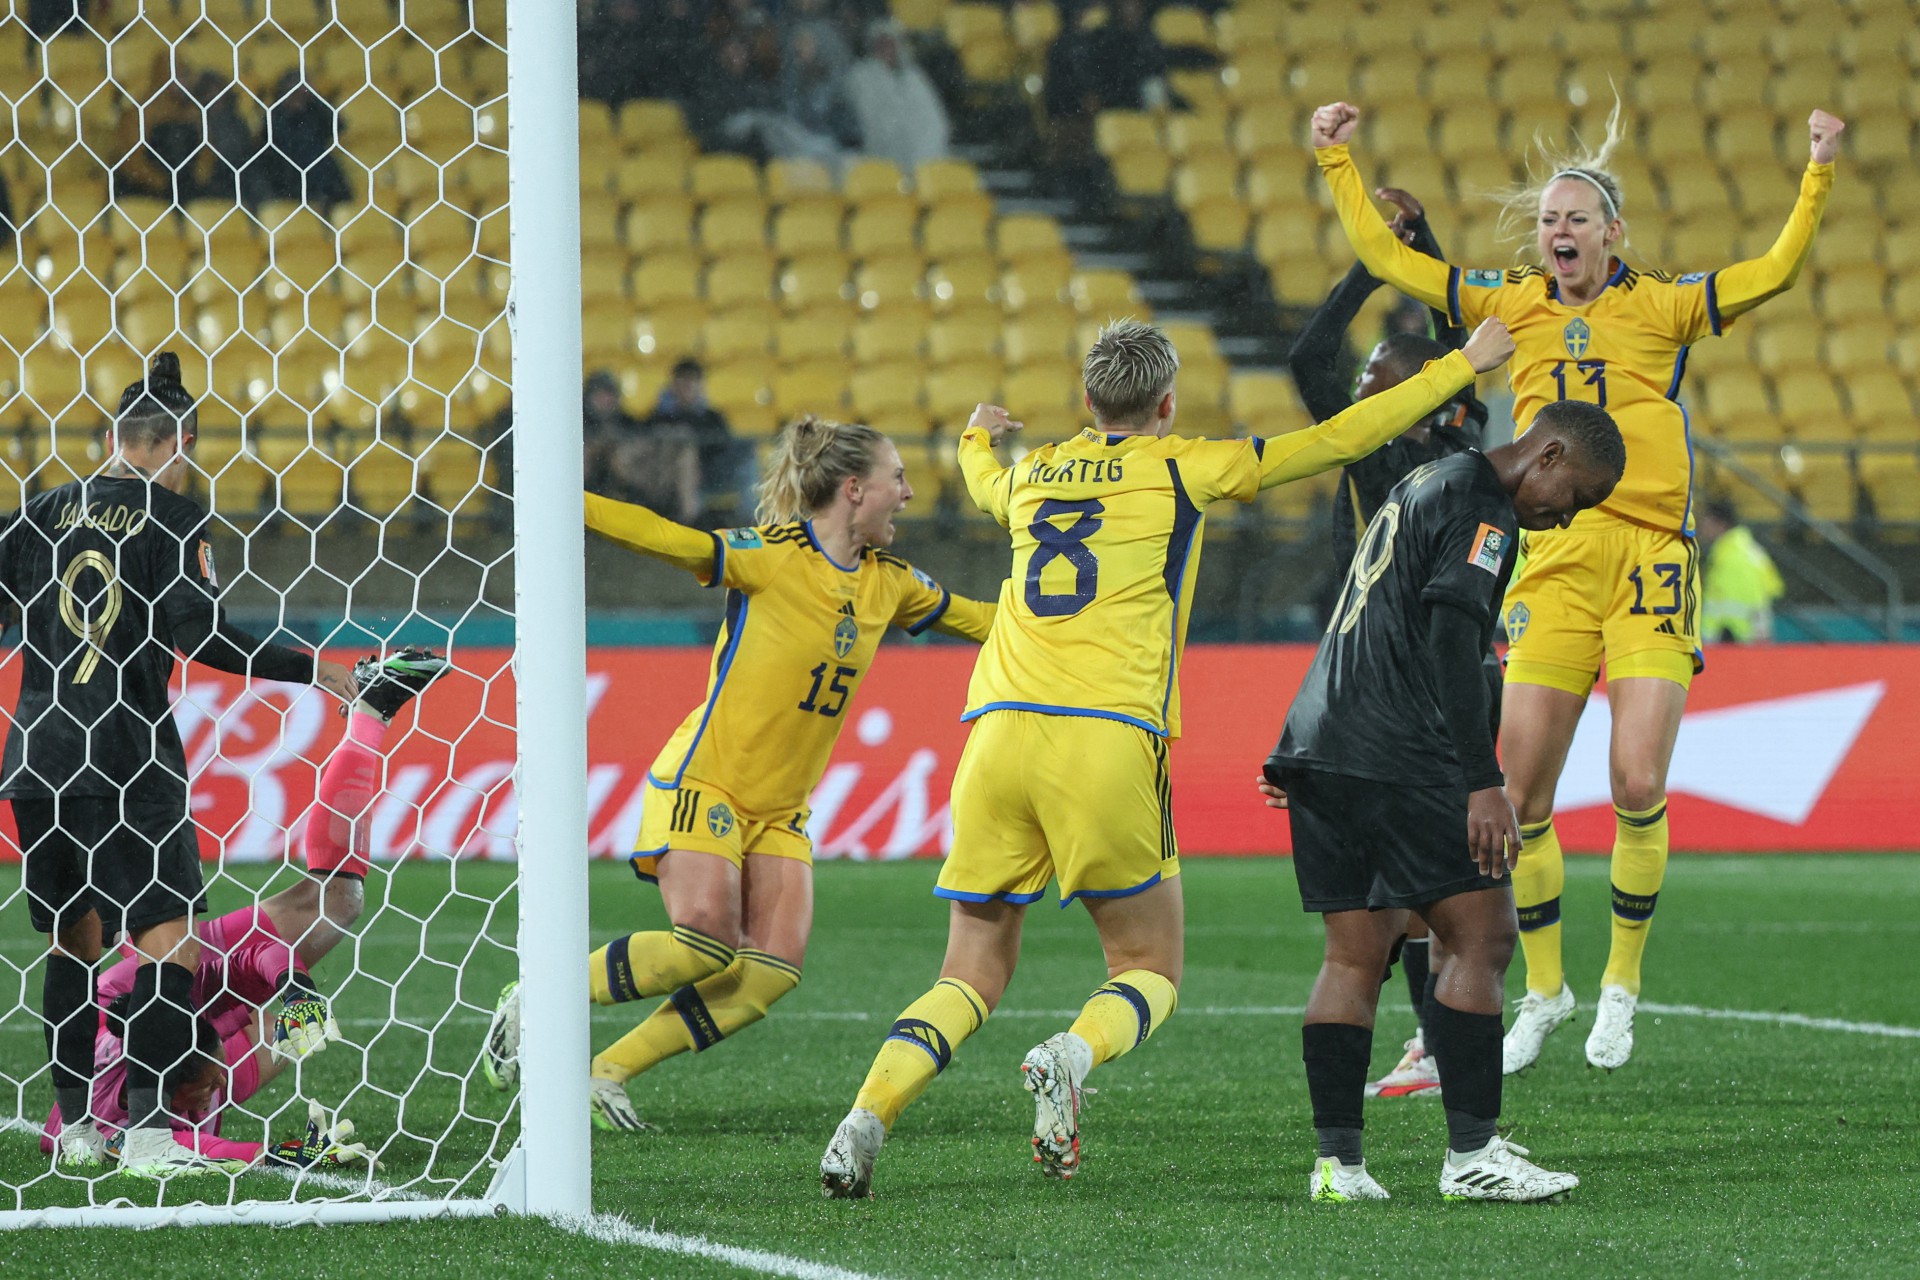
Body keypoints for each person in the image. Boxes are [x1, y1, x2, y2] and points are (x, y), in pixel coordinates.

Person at [819, 315, 1518, 1199]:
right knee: (1148, 967)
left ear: (1085, 402)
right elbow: (1342, 436)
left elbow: (983, 476)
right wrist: (1463, 364)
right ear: (1167, 402)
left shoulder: (1033, 474)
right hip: (1106, 734)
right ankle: (1073, 1054)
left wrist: (972, 435)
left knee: (969, 970)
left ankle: (865, 1116)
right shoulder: (1185, 463)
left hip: (994, 734)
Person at [1312, 99, 1843, 1072]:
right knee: (1517, 796)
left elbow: (1775, 273)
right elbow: (1402, 268)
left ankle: (1621, 988)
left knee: (1637, 778)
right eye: (1550, 218)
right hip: (1550, 556)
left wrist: (1816, 170)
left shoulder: (1664, 303)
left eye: (1576, 217)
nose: (1559, 231)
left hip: (1648, 554)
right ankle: (1546, 991)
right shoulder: (1513, 302)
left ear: (1612, 232)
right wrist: (1335, 161)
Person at [482, 417, 996, 1131]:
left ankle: (606, 1072)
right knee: (704, 941)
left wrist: (1079, 621)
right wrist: (564, 498)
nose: (909, 493)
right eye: (897, 478)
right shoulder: (772, 558)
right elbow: (666, 538)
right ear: (854, 490)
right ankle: (541, 995)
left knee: (771, 970)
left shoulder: (892, 585)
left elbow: (985, 621)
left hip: (781, 810)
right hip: (708, 782)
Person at [0, 352, 359, 1178]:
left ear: (110, 437)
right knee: (170, 947)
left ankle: (86, 1132)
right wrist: (314, 668)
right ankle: (155, 1140)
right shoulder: (174, 515)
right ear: (183, 441)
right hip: (128, 760)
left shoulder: (39, 513)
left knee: (73, 948)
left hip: (41, 758)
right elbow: (204, 632)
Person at [1261, 399, 1626, 1203]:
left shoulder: (1425, 481)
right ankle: (1471, 1157)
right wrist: (1480, 778)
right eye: (1578, 496)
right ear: (1551, 454)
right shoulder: (1483, 507)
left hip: (1325, 739)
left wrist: (1310, 746)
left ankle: (1338, 1166)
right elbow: (1450, 639)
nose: (1567, 519)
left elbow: (1364, 614)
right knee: (1485, 937)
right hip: (1400, 746)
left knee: (1353, 952)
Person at [36, 650, 449, 1171]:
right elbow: (211, 1148)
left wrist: (295, 991)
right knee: (304, 1010)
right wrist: (287, 1154)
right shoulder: (164, 1119)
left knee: (333, 904)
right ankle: (368, 714)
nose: (216, 1091)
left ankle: (368, 711)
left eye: (212, 1079)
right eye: (212, 1084)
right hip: (165, 1042)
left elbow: (254, 960)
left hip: (137, 989)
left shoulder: (134, 1082)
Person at [1288, 185, 1489, 1103]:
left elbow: (1307, 353)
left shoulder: (1386, 458)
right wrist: (1415, 247)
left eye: (1377, 378)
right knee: (1409, 899)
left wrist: (1377, 262)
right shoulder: (1453, 453)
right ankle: (1437, 1048)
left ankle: (1442, 1050)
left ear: (1414, 393)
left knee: (1418, 900)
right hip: (1394, 691)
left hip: (1395, 693)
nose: (1358, 384)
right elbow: (1464, 351)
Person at [584, 370, 702, 523]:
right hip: (594, 487)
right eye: (600, 394)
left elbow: (642, 446)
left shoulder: (626, 421)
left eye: (609, 394)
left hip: (637, 485)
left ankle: (686, 518)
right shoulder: (579, 423)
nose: (605, 399)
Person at [841, 20, 950, 174]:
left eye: (891, 44)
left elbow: (934, 121)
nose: (887, 50)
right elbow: (870, 120)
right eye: (881, 45)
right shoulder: (861, 76)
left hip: (922, 155)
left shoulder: (914, 77)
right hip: (882, 156)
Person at [647, 358, 750, 519]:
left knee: (749, 456)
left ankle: (751, 521)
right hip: (668, 479)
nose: (688, 386)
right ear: (674, 384)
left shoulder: (713, 417)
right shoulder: (659, 417)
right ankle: (689, 519)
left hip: (708, 477)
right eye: (683, 380)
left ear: (700, 385)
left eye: (693, 380)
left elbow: (724, 449)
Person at [254, 74, 352, 211]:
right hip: (285, 170)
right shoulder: (275, 114)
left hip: (316, 166)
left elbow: (339, 126)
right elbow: (275, 139)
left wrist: (316, 100)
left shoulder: (313, 112)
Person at [1697, 499, 1783, 644]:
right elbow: (1775, 587)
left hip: (1731, 635)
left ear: (1720, 524)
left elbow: (1723, 601)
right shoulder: (1749, 548)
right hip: (1751, 632)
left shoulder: (1729, 555)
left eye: (1706, 521)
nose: (1702, 526)